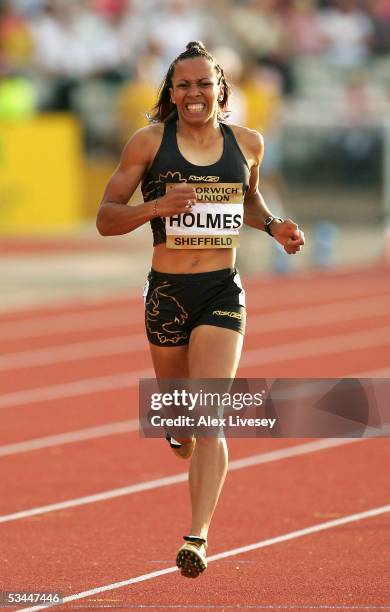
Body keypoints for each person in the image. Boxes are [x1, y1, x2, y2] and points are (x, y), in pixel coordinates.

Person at [96, 41, 305, 579]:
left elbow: (249, 200)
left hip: (221, 291)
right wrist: (158, 207)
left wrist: (274, 225)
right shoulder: (147, 144)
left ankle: (197, 537)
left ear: (221, 90)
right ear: (171, 92)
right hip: (166, 294)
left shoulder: (248, 144)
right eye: (184, 85)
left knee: (209, 414)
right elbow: (106, 217)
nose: (195, 94)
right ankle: (178, 429)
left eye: (204, 84)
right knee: (182, 415)